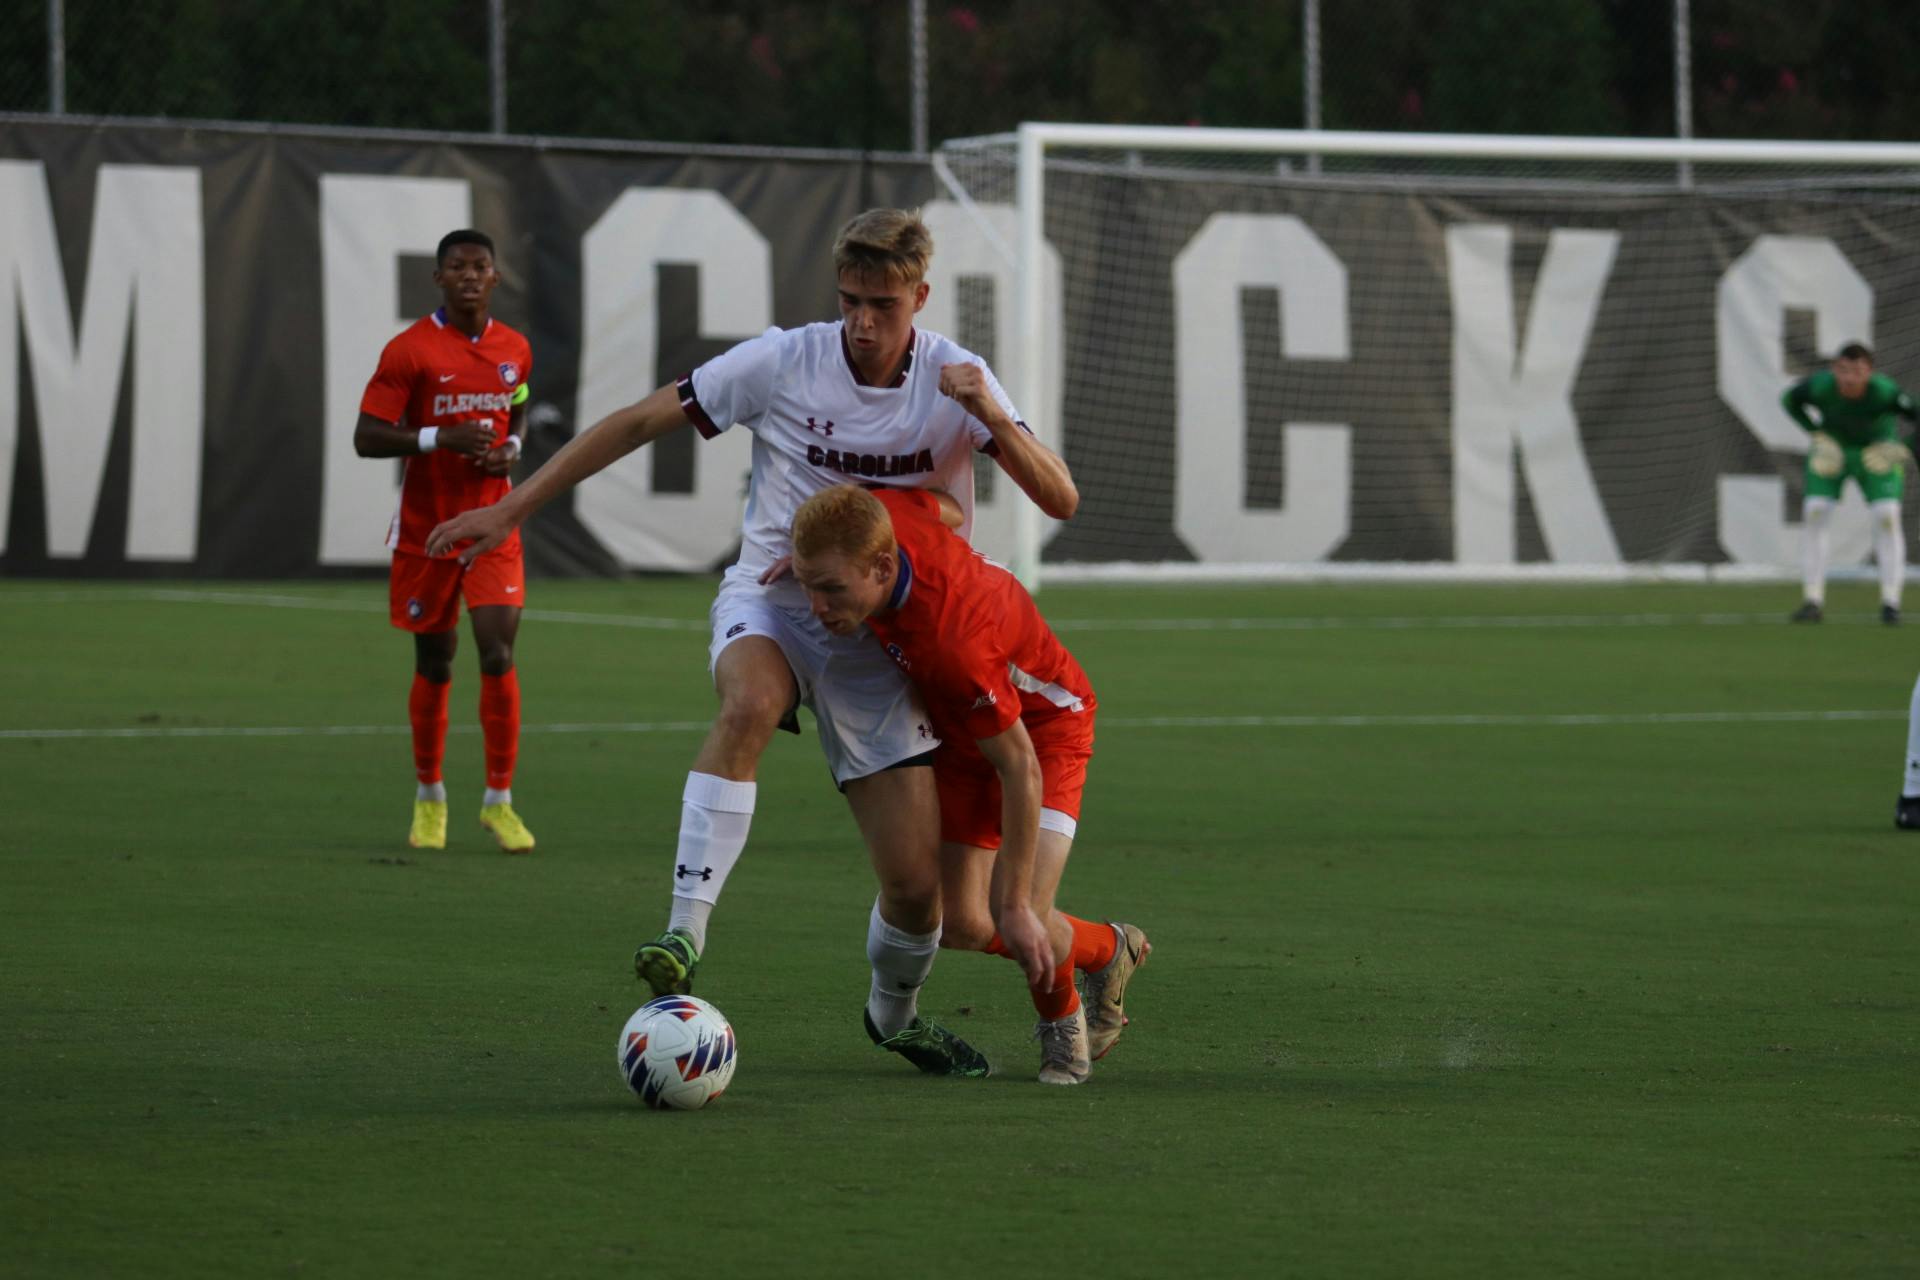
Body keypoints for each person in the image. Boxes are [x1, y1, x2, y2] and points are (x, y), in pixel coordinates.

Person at [427, 208, 1078, 1077]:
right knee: (751, 701)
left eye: (883, 303)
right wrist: (512, 506)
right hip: (773, 596)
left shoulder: (958, 378)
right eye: (850, 300)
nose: (862, 322)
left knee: (919, 895)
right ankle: (682, 934)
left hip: (879, 643)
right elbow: (635, 422)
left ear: (919, 297)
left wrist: (991, 413)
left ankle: (896, 1016)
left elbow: (1061, 497)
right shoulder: (782, 360)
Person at [786, 483, 1148, 1085]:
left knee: (1020, 910)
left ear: (882, 566)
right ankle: (1108, 951)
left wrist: (1015, 904)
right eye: (808, 584)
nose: (817, 605)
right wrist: (811, 567)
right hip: (965, 728)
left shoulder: (952, 641)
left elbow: (1020, 766)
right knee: (960, 924)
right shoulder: (883, 519)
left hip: (1046, 731)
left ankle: (1063, 1028)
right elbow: (942, 507)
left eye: (830, 589)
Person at [353, 229, 537, 855]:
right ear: (439, 279)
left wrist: (510, 448)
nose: (468, 275)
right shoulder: (409, 350)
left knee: (497, 650)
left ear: (494, 277)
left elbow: (515, 410)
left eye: (480, 266)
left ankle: (499, 801)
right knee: (435, 662)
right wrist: (438, 438)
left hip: (492, 523)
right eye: (456, 266)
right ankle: (429, 795)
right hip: (427, 531)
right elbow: (367, 436)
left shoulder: (514, 348)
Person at [1781, 342, 1919, 624]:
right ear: (1834, 369)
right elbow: (1789, 401)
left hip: (1876, 454)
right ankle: (1812, 601)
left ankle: (1890, 603)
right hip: (1833, 452)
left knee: (1886, 516)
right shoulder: (1821, 387)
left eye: (1857, 371)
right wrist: (1817, 435)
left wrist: (1903, 448)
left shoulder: (1884, 391)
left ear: (1869, 372)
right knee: (1815, 512)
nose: (1849, 378)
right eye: (1843, 370)